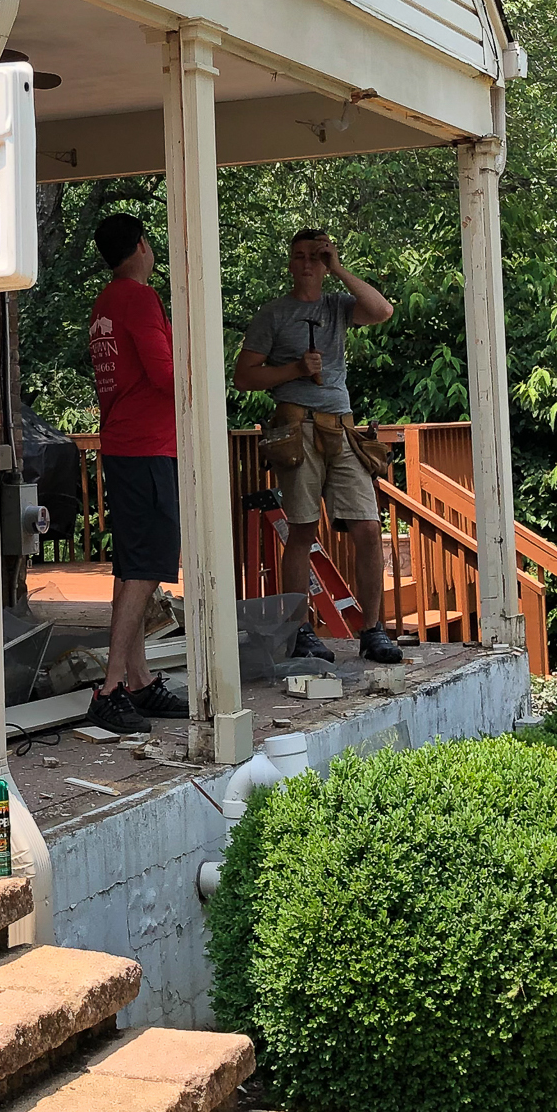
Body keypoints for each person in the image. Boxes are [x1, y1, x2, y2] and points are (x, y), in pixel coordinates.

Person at [232, 228, 406, 664]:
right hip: (298, 428)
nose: (309, 263)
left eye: (318, 256)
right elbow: (244, 376)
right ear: (290, 264)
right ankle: (300, 629)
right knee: (304, 530)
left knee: (367, 528)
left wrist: (340, 267)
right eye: (301, 256)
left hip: (342, 429)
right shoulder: (273, 314)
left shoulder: (339, 305)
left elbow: (382, 310)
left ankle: (373, 630)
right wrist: (293, 369)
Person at [84, 211, 192, 733]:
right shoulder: (139, 297)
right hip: (149, 446)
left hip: (123, 443)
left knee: (131, 568)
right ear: (143, 247)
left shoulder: (105, 302)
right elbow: (166, 376)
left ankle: (139, 681)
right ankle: (108, 689)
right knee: (148, 565)